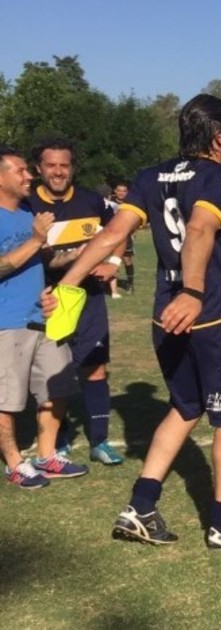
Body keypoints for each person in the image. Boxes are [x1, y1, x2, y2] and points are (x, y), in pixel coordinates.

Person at [54, 94, 221, 547]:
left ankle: (140, 507)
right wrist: (195, 291)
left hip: (165, 316)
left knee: (185, 408)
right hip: (214, 313)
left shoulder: (148, 176)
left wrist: (70, 284)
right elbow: (198, 228)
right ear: (219, 135)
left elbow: (113, 233)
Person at [25, 137, 126, 465]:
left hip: (89, 299)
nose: (58, 172)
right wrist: (75, 256)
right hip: (44, 301)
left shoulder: (92, 201)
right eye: (50, 165)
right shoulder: (26, 204)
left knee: (95, 368)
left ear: (73, 168)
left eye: (64, 165)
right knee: (53, 373)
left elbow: (121, 229)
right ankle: (61, 436)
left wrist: (111, 263)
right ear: (39, 168)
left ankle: (100, 442)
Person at [0, 146, 86, 489]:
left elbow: (46, 260)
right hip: (7, 322)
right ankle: (15, 463)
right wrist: (36, 239)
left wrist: (78, 254)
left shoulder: (26, 213)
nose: (29, 176)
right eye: (21, 171)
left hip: (44, 318)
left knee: (58, 385)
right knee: (6, 399)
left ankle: (47, 455)